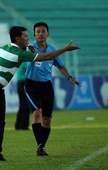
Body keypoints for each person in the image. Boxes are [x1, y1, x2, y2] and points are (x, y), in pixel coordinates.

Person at [0, 26, 80, 162]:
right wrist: (65, 49)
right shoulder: (19, 54)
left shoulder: (4, 48)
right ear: (18, 39)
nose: (28, 38)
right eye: (25, 36)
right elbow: (46, 57)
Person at [24, 22, 81, 156]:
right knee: (37, 112)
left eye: (43, 31)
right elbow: (34, 55)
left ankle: (41, 147)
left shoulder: (52, 49)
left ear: (48, 34)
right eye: (38, 31)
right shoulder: (30, 48)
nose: (40, 34)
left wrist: (69, 77)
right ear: (34, 35)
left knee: (47, 120)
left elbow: (60, 66)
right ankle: (39, 146)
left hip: (47, 86)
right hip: (31, 85)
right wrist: (65, 49)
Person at [15, 62, 30, 130]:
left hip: (20, 83)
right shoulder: (25, 62)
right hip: (24, 83)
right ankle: (24, 125)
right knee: (26, 105)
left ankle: (18, 125)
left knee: (22, 105)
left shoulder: (21, 61)